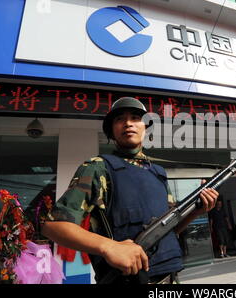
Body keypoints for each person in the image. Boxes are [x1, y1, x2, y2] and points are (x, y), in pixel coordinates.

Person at [41, 97, 219, 284]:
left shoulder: (158, 172)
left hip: (171, 277)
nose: (128, 123)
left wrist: (197, 210)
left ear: (145, 127)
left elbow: (169, 230)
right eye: (119, 119)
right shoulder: (97, 168)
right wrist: (108, 247)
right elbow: (53, 226)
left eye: (135, 118)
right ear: (112, 131)